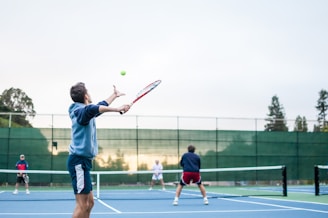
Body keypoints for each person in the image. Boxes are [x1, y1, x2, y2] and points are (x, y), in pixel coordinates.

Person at [67, 82, 130, 218]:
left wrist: (114, 95)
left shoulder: (84, 111)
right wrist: (117, 109)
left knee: (90, 203)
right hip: (78, 162)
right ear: (85, 96)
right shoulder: (80, 112)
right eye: (88, 92)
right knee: (82, 205)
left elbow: (97, 107)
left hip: (84, 162)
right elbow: (92, 109)